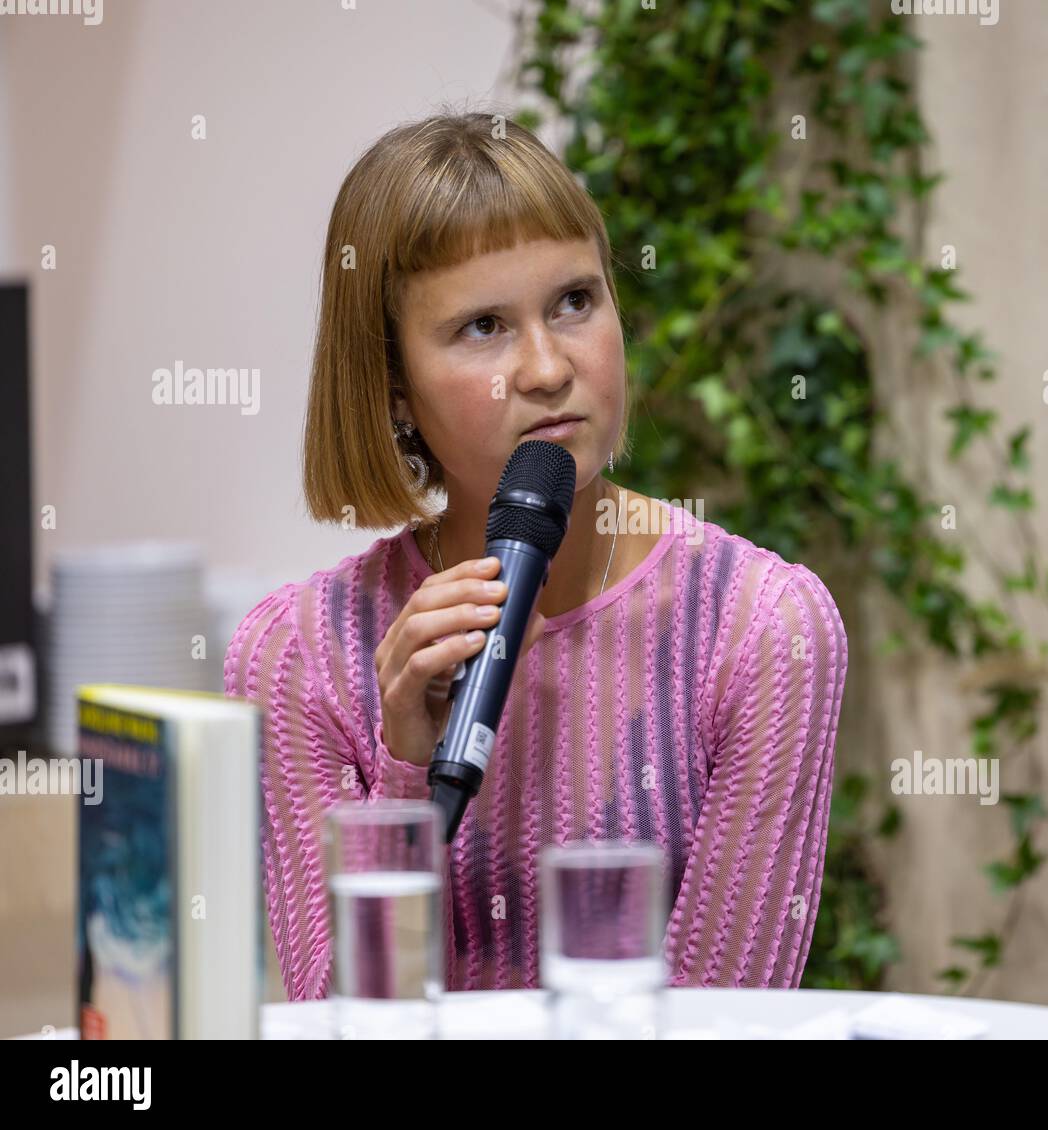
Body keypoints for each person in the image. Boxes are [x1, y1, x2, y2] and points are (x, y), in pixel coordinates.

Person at [223, 111, 848, 998]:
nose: (550, 367)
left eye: (574, 302)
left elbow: (723, 1025)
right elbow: (342, 1025)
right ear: (393, 388)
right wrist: (408, 774)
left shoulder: (763, 629)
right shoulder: (298, 655)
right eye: (483, 327)